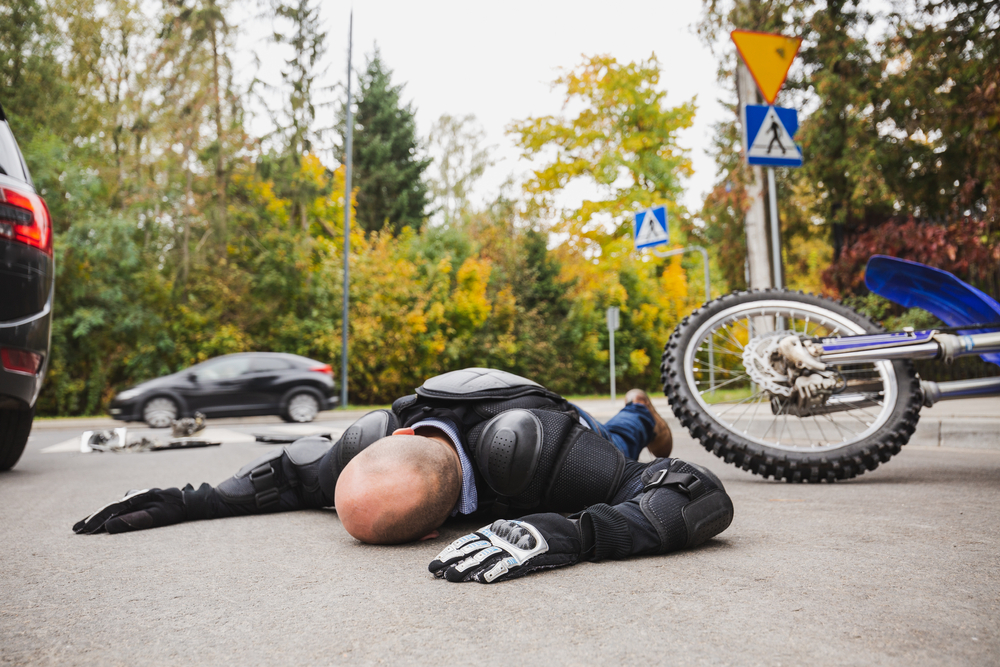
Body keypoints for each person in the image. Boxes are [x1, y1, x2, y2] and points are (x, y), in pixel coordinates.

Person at [74, 368, 733, 584]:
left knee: (620, 438)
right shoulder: (365, 444)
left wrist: (573, 533)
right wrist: (187, 500)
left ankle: (639, 407)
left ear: (435, 530)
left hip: (545, 415)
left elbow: (696, 491)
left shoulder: (550, 457)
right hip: (458, 400)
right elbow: (282, 472)